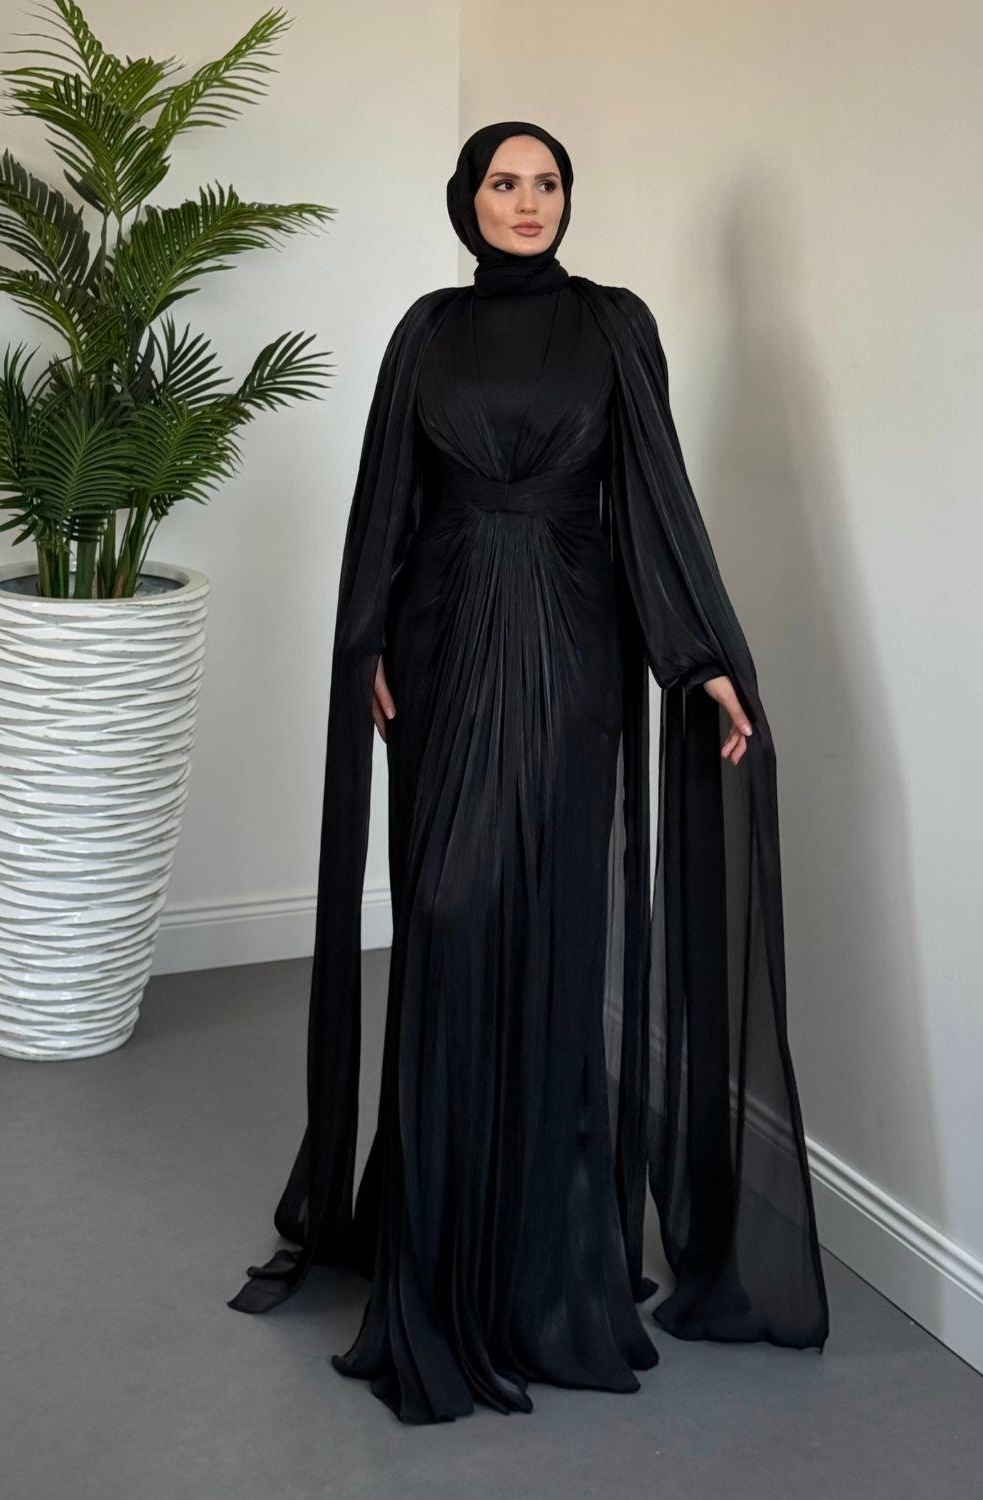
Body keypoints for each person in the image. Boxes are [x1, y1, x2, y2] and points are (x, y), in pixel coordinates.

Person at [228, 121, 830, 1425]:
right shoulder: (426, 333)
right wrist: (367, 639)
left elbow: (658, 504)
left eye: (547, 182)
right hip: (443, 645)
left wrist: (704, 662)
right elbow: (388, 501)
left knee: (550, 930)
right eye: (504, 183)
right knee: (447, 917)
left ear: (567, 199)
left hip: (570, 650)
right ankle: (439, 1244)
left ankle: (548, 1270)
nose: (528, 201)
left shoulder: (615, 325)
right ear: (467, 199)